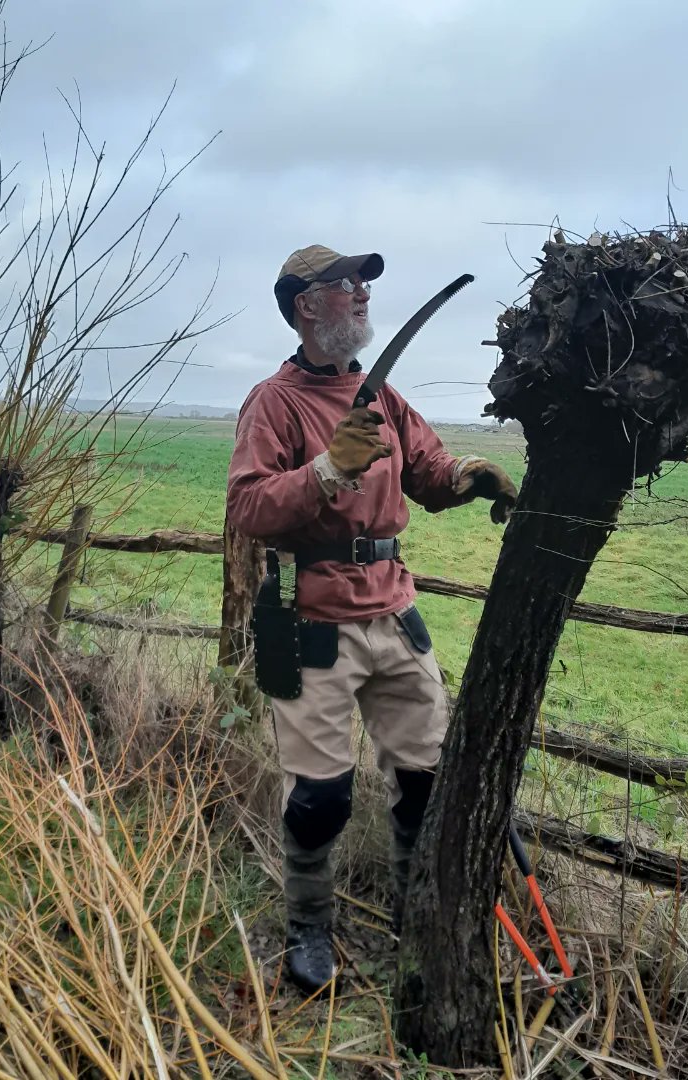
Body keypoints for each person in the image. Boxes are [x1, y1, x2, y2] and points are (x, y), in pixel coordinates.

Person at [225, 244, 517, 994]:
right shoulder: (274, 402)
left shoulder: (382, 396)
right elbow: (251, 508)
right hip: (310, 618)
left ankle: (414, 925)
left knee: (426, 782)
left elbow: (426, 470)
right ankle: (309, 930)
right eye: (343, 284)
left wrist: (465, 477)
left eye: (363, 284)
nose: (360, 293)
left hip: (395, 614)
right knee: (319, 798)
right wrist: (327, 469)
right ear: (304, 307)